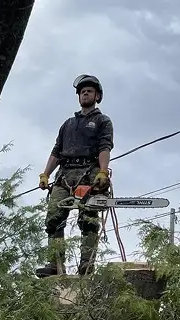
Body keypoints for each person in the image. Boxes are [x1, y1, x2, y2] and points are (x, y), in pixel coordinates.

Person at [35, 74, 114, 277]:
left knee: (88, 219)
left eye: (89, 91)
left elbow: (105, 147)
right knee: (53, 218)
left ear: (97, 95)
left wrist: (103, 171)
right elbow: (56, 152)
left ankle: (86, 265)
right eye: (82, 91)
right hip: (64, 175)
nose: (85, 93)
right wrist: (45, 174)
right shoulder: (68, 124)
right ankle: (54, 263)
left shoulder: (102, 121)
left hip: (89, 172)